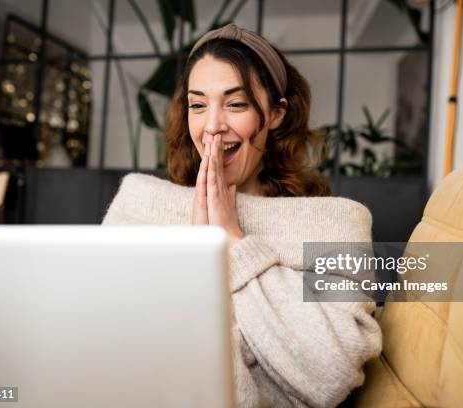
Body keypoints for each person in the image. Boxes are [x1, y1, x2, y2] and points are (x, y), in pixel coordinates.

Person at [103, 24, 382, 408]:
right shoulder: (140, 203)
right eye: (198, 105)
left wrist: (233, 244)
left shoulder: (336, 224)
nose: (213, 126)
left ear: (276, 114)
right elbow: (100, 339)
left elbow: (332, 373)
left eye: (236, 104)